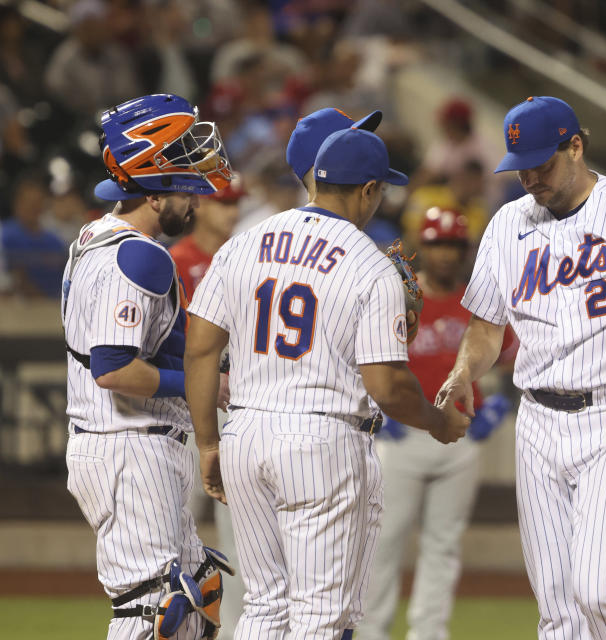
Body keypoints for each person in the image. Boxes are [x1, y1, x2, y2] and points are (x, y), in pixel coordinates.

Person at [184, 126, 470, 639]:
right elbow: (386, 386)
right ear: (367, 190)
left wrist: (208, 441)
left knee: (265, 606)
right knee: (321, 616)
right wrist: (436, 420)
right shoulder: (369, 264)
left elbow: (201, 347)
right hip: (321, 442)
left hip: (245, 433)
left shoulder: (244, 243)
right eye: (381, 188)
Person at [436, 96, 606, 640]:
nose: (530, 178)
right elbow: (485, 329)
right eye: (521, 166)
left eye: (543, 164)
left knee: (598, 591)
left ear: (576, 147)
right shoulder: (507, 225)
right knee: (556, 606)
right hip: (538, 422)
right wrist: (464, 370)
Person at [61, 93, 234, 640]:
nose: (197, 198)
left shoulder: (96, 236)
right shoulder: (137, 255)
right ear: (155, 192)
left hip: (132, 445)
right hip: (126, 446)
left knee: (198, 591)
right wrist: (205, 385)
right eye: (187, 184)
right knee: (151, 607)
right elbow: (113, 369)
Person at [359, 208, 514, 640]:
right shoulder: (402, 298)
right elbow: (369, 361)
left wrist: (496, 407)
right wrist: (377, 409)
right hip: (401, 434)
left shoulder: (477, 303)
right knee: (383, 540)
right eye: (436, 243)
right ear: (422, 247)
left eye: (452, 245)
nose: (444, 254)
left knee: (443, 545)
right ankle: (371, 632)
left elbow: (505, 367)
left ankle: (430, 634)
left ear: (464, 251)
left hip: (460, 435)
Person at [171, 178, 246, 640]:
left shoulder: (242, 256)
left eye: (237, 203)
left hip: (236, 397)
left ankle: (235, 628)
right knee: (173, 522)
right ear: (200, 205)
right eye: (224, 203)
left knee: (237, 526)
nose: (232, 212)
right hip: (182, 404)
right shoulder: (177, 260)